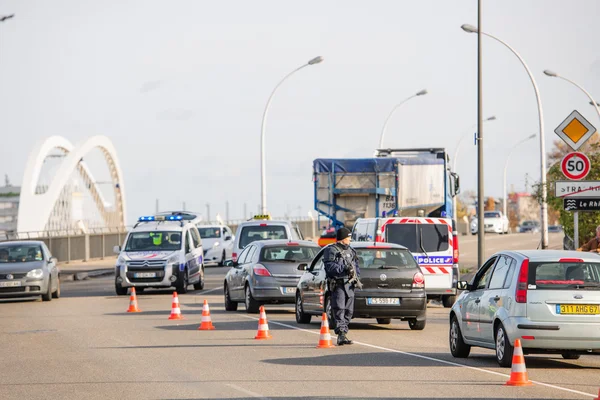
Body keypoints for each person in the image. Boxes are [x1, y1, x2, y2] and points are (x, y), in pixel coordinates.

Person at [323, 227, 360, 346]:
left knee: (349, 311)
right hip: (338, 284)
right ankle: (341, 334)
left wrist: (355, 276)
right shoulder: (331, 250)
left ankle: (344, 331)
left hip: (349, 284)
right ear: (343, 238)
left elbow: (356, 266)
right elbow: (329, 267)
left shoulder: (351, 251)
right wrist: (343, 268)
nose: (350, 240)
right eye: (348, 237)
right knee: (339, 309)